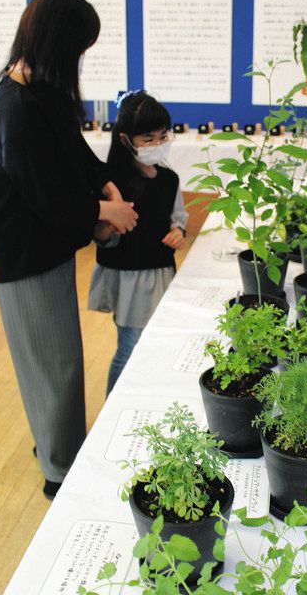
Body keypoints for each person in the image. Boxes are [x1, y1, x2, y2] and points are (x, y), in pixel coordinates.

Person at [0, 0, 138, 500]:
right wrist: (104, 212)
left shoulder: (39, 92)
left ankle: (56, 443)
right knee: (54, 364)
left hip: (43, 248)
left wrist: (103, 185)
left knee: (53, 359)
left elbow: (73, 156)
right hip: (25, 257)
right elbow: (47, 196)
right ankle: (60, 472)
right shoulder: (16, 107)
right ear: (56, 44)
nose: (79, 62)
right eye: (77, 50)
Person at [88, 91, 188, 395]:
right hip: (129, 277)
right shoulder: (113, 182)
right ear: (126, 140)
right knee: (130, 346)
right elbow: (101, 237)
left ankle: (145, 396)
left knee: (156, 340)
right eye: (148, 139)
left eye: (163, 136)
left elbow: (178, 215)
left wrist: (179, 231)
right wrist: (108, 222)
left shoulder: (169, 179)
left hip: (160, 272)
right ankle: (112, 404)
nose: (158, 144)